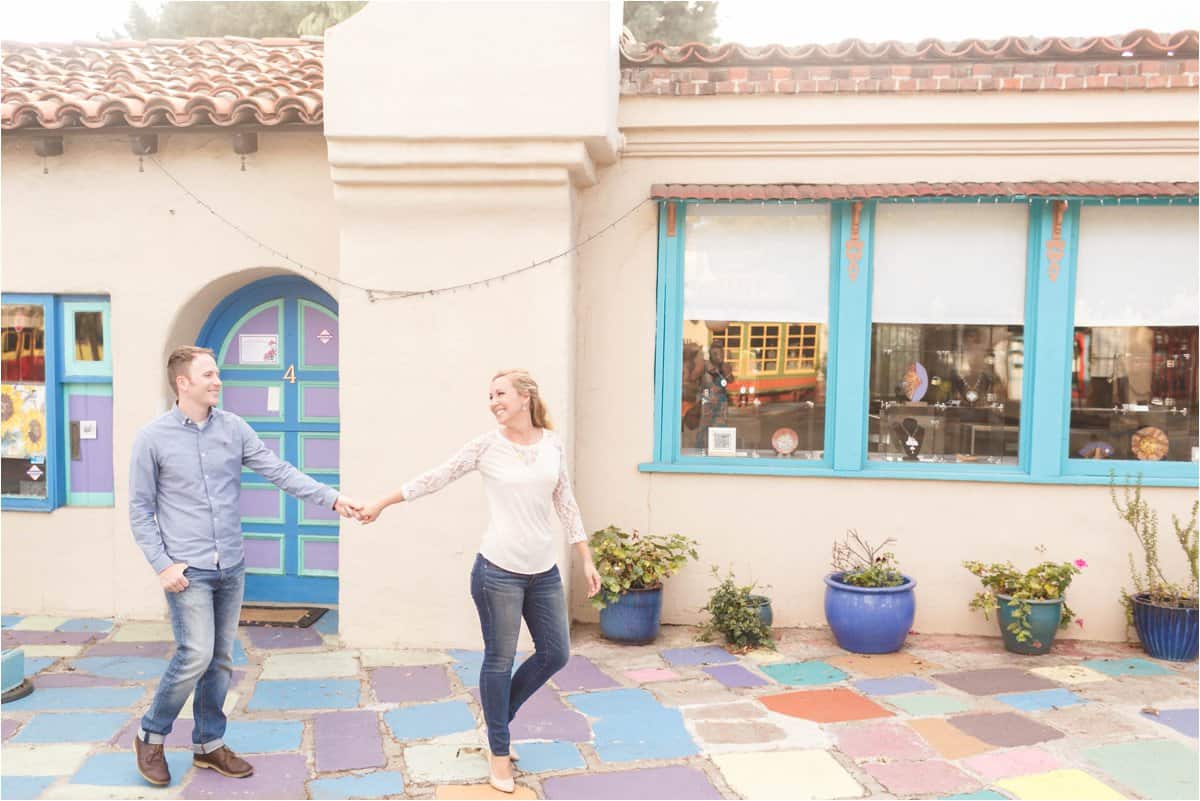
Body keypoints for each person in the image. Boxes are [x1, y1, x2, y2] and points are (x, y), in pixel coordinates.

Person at [129, 346, 364, 786]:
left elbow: (279, 470)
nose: (218, 380)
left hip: (230, 564)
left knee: (219, 659)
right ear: (183, 383)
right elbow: (140, 510)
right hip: (187, 568)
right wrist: (162, 564)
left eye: (217, 374)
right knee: (194, 653)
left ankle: (208, 744)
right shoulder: (152, 438)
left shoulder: (233, 429)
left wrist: (332, 498)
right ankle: (151, 735)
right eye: (209, 374)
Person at [359, 368, 602, 794]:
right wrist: (382, 502)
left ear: (526, 397)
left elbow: (565, 502)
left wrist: (585, 558)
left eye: (501, 393)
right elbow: (436, 477)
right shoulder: (485, 446)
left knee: (555, 653)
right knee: (499, 660)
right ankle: (499, 751)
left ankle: (495, 723)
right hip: (498, 572)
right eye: (489, 396)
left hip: (543, 571)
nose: (493, 402)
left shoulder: (551, 443)